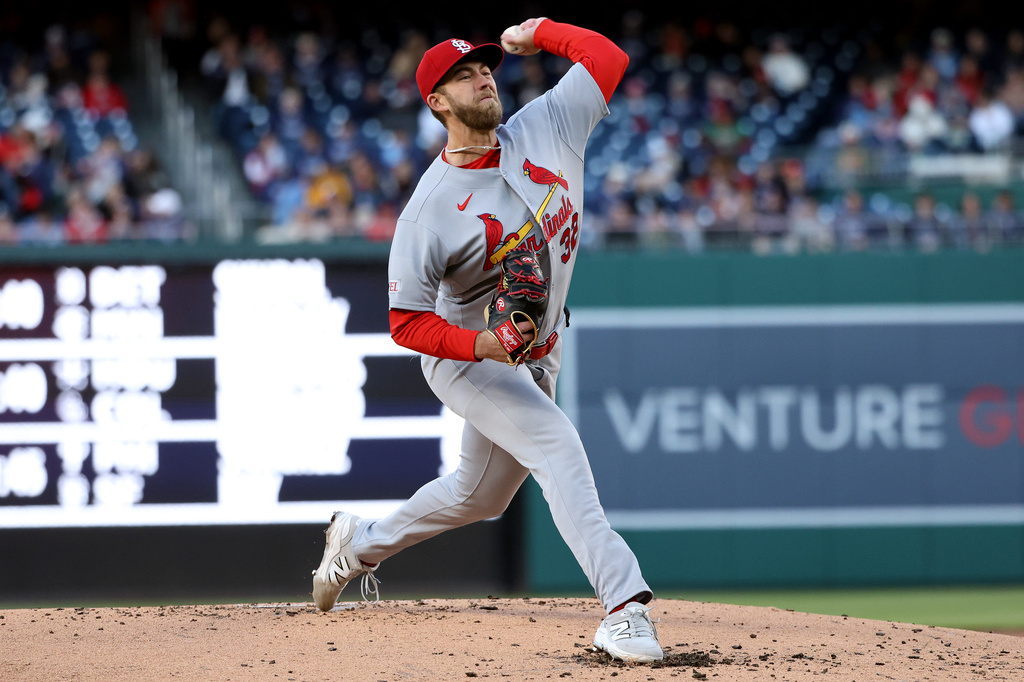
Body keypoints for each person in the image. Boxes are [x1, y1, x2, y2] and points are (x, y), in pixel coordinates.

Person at [310, 17, 664, 664]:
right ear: (437, 102)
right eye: (462, 76)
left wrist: (542, 31)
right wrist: (482, 349)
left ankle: (359, 543)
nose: (481, 77)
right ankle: (623, 607)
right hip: (470, 358)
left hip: (540, 345)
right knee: (555, 444)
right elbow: (405, 322)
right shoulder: (428, 210)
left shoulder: (547, 124)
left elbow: (607, 58)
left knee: (482, 495)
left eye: (483, 68)